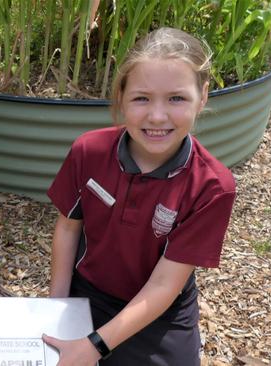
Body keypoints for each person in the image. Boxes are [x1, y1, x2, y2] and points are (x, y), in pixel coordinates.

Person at [42, 27, 236, 365]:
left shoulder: (213, 186)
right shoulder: (89, 150)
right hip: (87, 292)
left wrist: (94, 346)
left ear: (202, 96)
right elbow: (68, 228)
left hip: (160, 313)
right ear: (121, 96)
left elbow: (164, 284)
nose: (157, 116)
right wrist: (57, 308)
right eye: (141, 98)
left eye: (177, 98)